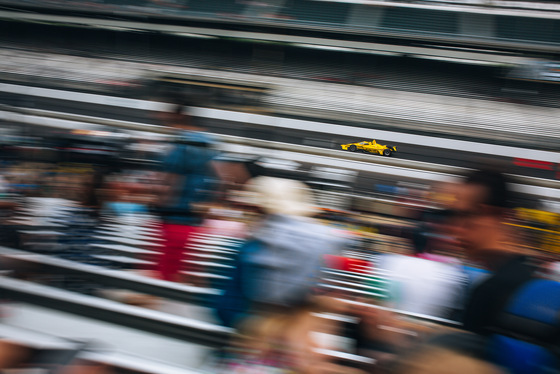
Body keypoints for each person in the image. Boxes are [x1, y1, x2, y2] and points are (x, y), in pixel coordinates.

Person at [450, 166, 560, 374]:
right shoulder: (529, 276)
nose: (456, 228)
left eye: (464, 215)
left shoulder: (493, 290)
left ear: (489, 214)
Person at [155, 102, 219, 282]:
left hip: (175, 217)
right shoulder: (210, 143)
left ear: (179, 115)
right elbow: (220, 178)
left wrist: (159, 203)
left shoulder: (183, 143)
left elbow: (170, 181)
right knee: (184, 271)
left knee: (166, 272)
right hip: (195, 221)